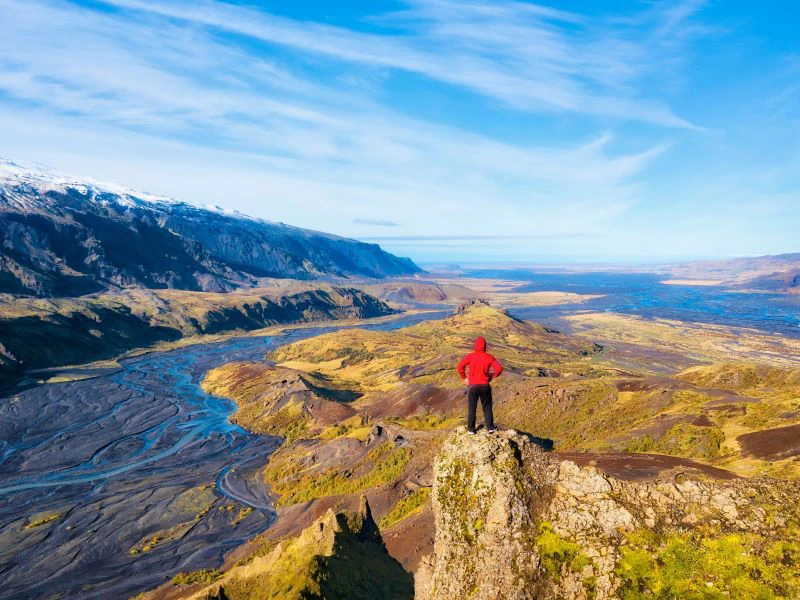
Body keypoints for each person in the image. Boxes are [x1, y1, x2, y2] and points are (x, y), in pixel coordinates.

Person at [457, 336, 503, 434]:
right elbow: (499, 369)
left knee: (472, 408)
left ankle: (471, 429)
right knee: (487, 407)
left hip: (472, 386)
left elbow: (460, 366)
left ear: (476, 346)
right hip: (485, 386)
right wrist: (492, 376)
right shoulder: (489, 357)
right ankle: (490, 428)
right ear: (485, 346)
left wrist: (464, 378)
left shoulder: (471, 356)